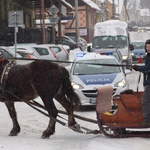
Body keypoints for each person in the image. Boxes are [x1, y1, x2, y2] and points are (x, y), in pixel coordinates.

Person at [133, 39, 150, 126]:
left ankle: (147, 121)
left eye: (149, 46)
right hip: (147, 81)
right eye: (147, 46)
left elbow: (148, 68)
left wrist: (138, 68)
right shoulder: (148, 56)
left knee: (145, 101)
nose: (148, 48)